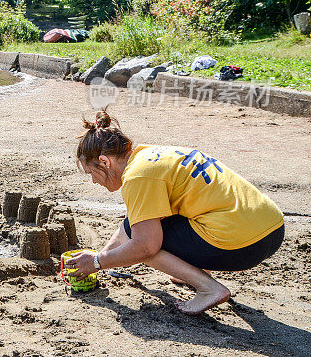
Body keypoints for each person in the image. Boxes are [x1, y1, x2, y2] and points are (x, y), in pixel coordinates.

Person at [67, 110, 284, 315]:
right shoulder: (152, 155)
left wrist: (97, 261)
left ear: (105, 162)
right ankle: (198, 270)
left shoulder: (137, 177)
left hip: (244, 243)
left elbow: (144, 246)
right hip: (272, 228)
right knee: (142, 220)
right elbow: (134, 220)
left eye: (92, 173)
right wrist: (100, 260)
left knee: (142, 240)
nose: (94, 181)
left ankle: (209, 288)